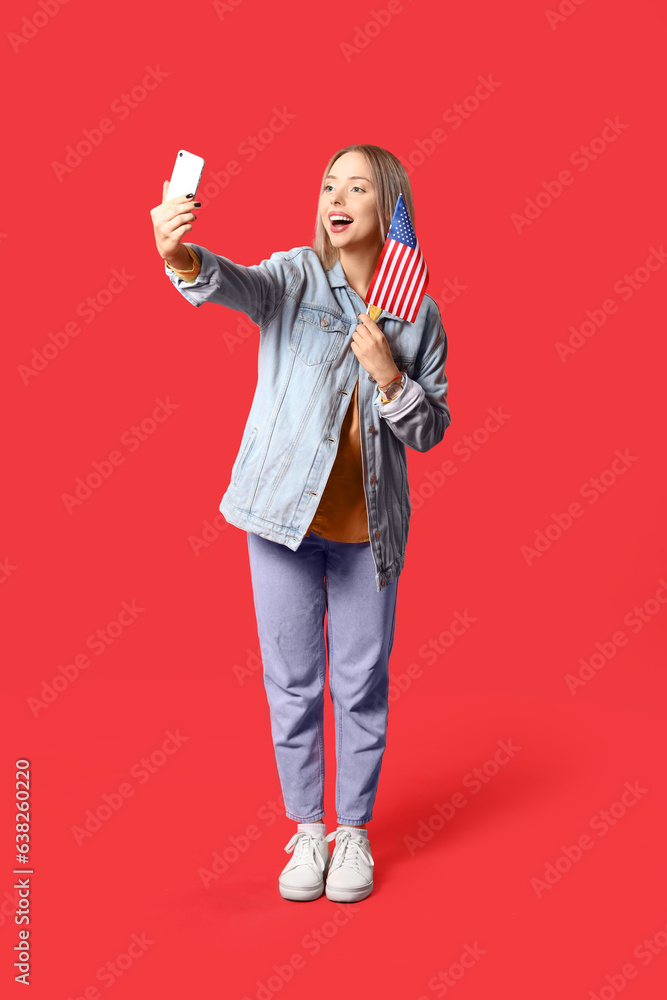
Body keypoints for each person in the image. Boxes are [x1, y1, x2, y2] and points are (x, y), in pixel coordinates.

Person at [150, 144, 451, 903]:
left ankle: (352, 833)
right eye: (326, 184)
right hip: (278, 519)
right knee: (291, 683)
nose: (335, 195)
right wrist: (177, 251)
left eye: (356, 185)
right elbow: (229, 283)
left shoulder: (415, 309)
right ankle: (307, 832)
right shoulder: (293, 277)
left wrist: (389, 374)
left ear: (388, 206)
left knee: (360, 685)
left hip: (368, 533)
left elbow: (430, 429)